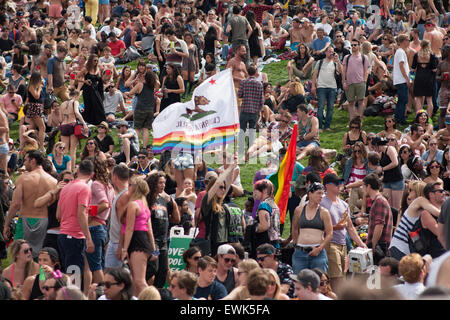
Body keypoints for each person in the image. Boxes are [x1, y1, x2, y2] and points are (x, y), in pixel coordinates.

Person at [3, 151, 57, 257]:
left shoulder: (23, 178)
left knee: (20, 255)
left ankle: (22, 274)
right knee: (42, 257)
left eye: (26, 160)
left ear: (33, 161)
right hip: (44, 221)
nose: (24, 163)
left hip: (25, 219)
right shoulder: (53, 181)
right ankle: (40, 274)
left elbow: (15, 204)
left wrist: (6, 225)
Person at [321, 173, 367, 291]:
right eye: (336, 183)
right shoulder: (321, 203)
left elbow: (350, 228)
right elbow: (319, 227)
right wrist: (335, 227)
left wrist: (361, 244)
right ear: (327, 186)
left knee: (341, 277)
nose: (340, 185)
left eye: (340, 183)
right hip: (330, 244)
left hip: (343, 246)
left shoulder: (344, 204)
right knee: (336, 279)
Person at [56, 159, 95, 290]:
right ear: (92, 175)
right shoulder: (84, 188)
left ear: (77, 172)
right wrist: (89, 239)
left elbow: (59, 215)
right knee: (73, 275)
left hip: (63, 234)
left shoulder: (66, 187)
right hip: (75, 236)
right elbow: (81, 214)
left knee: (69, 272)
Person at [120, 176, 158, 297]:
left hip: (137, 242)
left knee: (139, 281)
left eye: (130, 185)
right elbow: (150, 230)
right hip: (143, 241)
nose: (128, 187)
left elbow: (129, 228)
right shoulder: (144, 205)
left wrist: (124, 249)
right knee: (135, 281)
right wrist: (153, 249)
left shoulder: (133, 205)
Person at [146, 171, 180, 288]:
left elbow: (176, 219)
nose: (163, 185)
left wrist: (172, 201)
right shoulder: (147, 199)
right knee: (152, 269)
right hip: (151, 240)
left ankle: (158, 294)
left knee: (163, 270)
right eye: (160, 183)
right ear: (153, 183)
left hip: (163, 240)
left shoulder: (164, 199)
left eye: (164, 183)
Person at [291, 182, 333, 274]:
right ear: (310, 194)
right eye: (318, 193)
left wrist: (320, 248)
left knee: (319, 282)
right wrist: (295, 245)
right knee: (299, 281)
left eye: (322, 194)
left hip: (318, 251)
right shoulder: (299, 210)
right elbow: (294, 228)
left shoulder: (324, 212)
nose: (321, 196)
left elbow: (330, 233)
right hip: (300, 251)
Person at [363, 173, 394, 265]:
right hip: (379, 245)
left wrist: (373, 245)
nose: (362, 189)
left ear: (368, 186)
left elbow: (379, 226)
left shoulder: (379, 201)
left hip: (380, 246)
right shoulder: (378, 200)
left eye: (363, 186)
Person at [105, 164, 129, 270]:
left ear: (114, 177)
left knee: (115, 276)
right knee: (109, 273)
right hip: (114, 241)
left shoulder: (124, 196)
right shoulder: (122, 194)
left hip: (119, 243)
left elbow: (124, 224)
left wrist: (121, 246)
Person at [125, 71, 159, 148]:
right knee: (146, 129)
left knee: (137, 129)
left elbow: (130, 93)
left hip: (140, 109)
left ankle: (136, 146)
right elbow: (158, 84)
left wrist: (137, 80)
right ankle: (144, 147)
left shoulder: (140, 85)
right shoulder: (153, 86)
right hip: (150, 110)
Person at [311, 46, 342, 131]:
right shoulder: (320, 62)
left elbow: (341, 72)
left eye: (332, 51)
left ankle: (327, 126)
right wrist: (313, 86)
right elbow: (314, 75)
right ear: (326, 52)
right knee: (320, 107)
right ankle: (319, 127)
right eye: (329, 51)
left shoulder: (335, 63)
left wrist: (338, 61)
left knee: (330, 107)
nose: (331, 53)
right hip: (321, 87)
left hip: (332, 87)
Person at [59, 88, 88, 171]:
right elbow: (76, 112)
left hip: (64, 125)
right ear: (76, 95)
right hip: (72, 124)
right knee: (73, 149)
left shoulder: (62, 104)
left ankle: (63, 168)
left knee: (64, 149)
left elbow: (60, 119)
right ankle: (71, 169)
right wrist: (84, 123)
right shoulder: (75, 102)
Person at [238, 65, 264, 156]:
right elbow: (261, 100)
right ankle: (250, 150)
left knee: (242, 130)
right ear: (255, 72)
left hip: (245, 109)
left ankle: (241, 149)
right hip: (254, 111)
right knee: (252, 131)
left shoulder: (243, 82)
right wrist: (260, 111)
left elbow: (240, 94)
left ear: (247, 73)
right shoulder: (259, 84)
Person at [373, 136, 405, 212]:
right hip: (387, 180)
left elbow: (395, 163)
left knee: (396, 206)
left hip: (396, 180)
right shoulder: (381, 153)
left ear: (377, 145)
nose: (374, 149)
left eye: (374, 147)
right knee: (388, 205)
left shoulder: (390, 149)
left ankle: (397, 222)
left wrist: (382, 169)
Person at [342, 38, 370, 120]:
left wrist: (364, 80)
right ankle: (352, 120)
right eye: (352, 45)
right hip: (349, 83)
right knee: (350, 102)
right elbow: (344, 71)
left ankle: (359, 119)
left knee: (361, 101)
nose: (353, 46)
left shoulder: (364, 57)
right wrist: (344, 82)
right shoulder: (347, 57)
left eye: (355, 45)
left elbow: (366, 70)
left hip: (360, 82)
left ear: (359, 46)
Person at [251, 179, 281, 253]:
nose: (254, 193)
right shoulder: (273, 204)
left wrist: (251, 228)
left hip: (266, 246)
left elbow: (264, 226)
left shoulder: (264, 205)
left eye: (255, 190)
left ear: (263, 191)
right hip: (275, 244)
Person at [412, 40, 439, 116]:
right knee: (429, 100)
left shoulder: (417, 55)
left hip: (419, 78)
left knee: (418, 99)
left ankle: (419, 117)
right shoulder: (432, 56)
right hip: (429, 79)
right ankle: (428, 118)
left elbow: (413, 68)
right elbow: (434, 69)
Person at [78, 54, 105, 125]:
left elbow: (99, 79)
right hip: (87, 90)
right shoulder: (85, 69)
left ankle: (100, 121)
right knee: (89, 106)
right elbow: (76, 78)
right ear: (90, 61)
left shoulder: (97, 69)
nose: (96, 62)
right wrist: (85, 81)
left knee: (99, 105)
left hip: (96, 90)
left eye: (97, 61)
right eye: (94, 60)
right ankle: (89, 120)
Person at [393, 34, 412, 125]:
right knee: (402, 100)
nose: (409, 42)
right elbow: (401, 66)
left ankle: (400, 117)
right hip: (401, 80)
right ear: (403, 41)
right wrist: (407, 79)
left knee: (403, 100)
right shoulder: (400, 52)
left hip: (401, 79)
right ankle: (399, 119)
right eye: (407, 40)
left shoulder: (400, 51)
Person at [24, 72, 45, 151]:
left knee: (32, 127)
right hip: (34, 107)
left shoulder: (35, 86)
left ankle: (27, 144)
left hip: (37, 107)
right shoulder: (32, 86)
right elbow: (36, 96)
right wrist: (39, 88)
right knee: (42, 127)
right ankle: (42, 146)